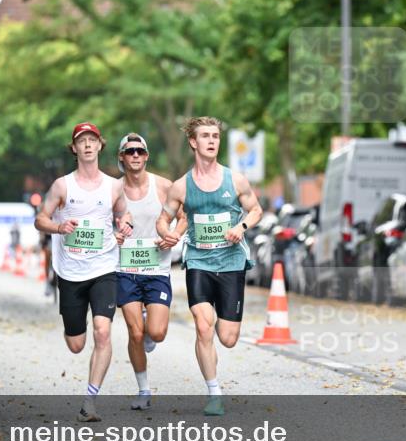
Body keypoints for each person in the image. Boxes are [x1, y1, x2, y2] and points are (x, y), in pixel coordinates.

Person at [157, 117, 263, 417]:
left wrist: (241, 226)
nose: (211, 141)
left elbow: (256, 210)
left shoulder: (236, 180)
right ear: (193, 142)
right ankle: (214, 392)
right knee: (204, 327)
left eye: (215, 135)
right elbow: (164, 218)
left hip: (231, 262)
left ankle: (221, 324)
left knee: (227, 338)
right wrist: (169, 233)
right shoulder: (181, 187)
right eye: (205, 136)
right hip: (199, 262)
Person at [34, 122, 132, 422]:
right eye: (81, 141)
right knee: (76, 344)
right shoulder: (63, 186)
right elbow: (40, 219)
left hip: (104, 268)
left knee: (103, 333)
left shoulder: (114, 185)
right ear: (74, 148)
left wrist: (125, 225)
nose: (87, 145)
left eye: (92, 140)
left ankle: (89, 401)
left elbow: (123, 213)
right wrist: (58, 227)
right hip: (70, 272)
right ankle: (71, 326)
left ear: (100, 146)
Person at [116, 133, 187, 410]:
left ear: (146, 156)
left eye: (140, 151)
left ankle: (149, 328)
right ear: (122, 157)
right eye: (130, 151)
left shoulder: (163, 186)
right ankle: (143, 390)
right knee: (134, 333)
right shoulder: (113, 190)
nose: (135, 156)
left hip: (157, 269)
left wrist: (174, 235)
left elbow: (183, 217)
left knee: (155, 333)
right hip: (125, 269)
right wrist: (114, 236)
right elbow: (101, 223)